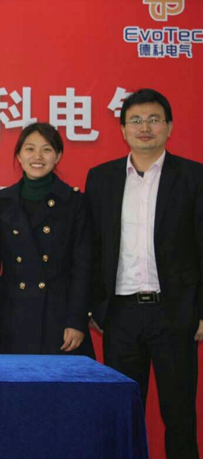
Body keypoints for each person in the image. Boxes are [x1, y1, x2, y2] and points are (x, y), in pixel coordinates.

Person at [86, 89, 203, 459]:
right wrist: (96, 306)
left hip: (175, 312)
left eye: (154, 119)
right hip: (121, 314)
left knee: (180, 415)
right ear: (123, 130)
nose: (145, 127)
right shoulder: (102, 178)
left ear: (169, 126)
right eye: (135, 120)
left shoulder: (193, 176)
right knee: (122, 413)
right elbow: (92, 246)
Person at [0, 122, 94, 357]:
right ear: (19, 155)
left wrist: (76, 319)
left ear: (58, 156)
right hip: (12, 315)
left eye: (46, 149)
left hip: (58, 317)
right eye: (30, 149)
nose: (37, 157)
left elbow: (83, 266)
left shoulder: (74, 202)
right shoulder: (3, 202)